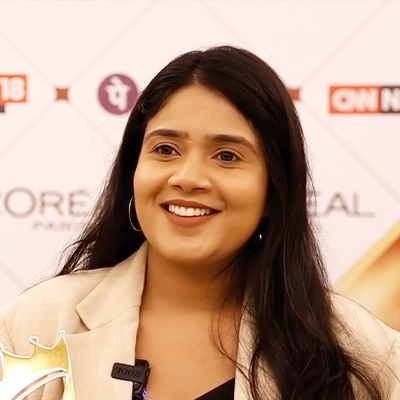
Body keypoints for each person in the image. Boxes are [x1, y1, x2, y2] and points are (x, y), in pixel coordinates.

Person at [1, 46, 399, 400]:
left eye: (227, 156)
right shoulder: (36, 324)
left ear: (273, 192)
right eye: (165, 149)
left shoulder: (364, 354)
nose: (187, 178)